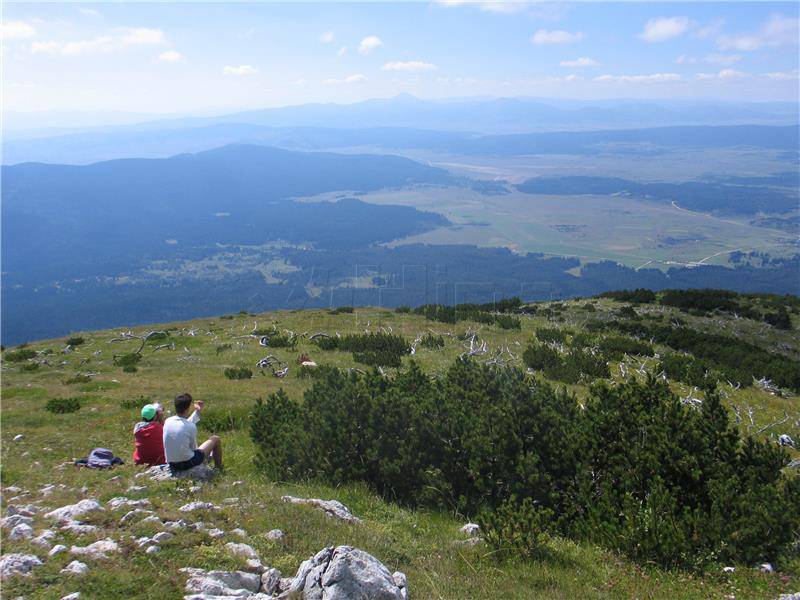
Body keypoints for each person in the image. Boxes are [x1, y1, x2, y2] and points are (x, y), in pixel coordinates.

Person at [162, 393, 223, 471]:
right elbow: (194, 449)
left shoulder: (168, 421)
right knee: (215, 439)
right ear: (188, 408)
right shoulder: (190, 426)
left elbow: (183, 424)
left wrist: (197, 411)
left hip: (171, 464)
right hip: (187, 464)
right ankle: (218, 469)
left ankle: (209, 459)